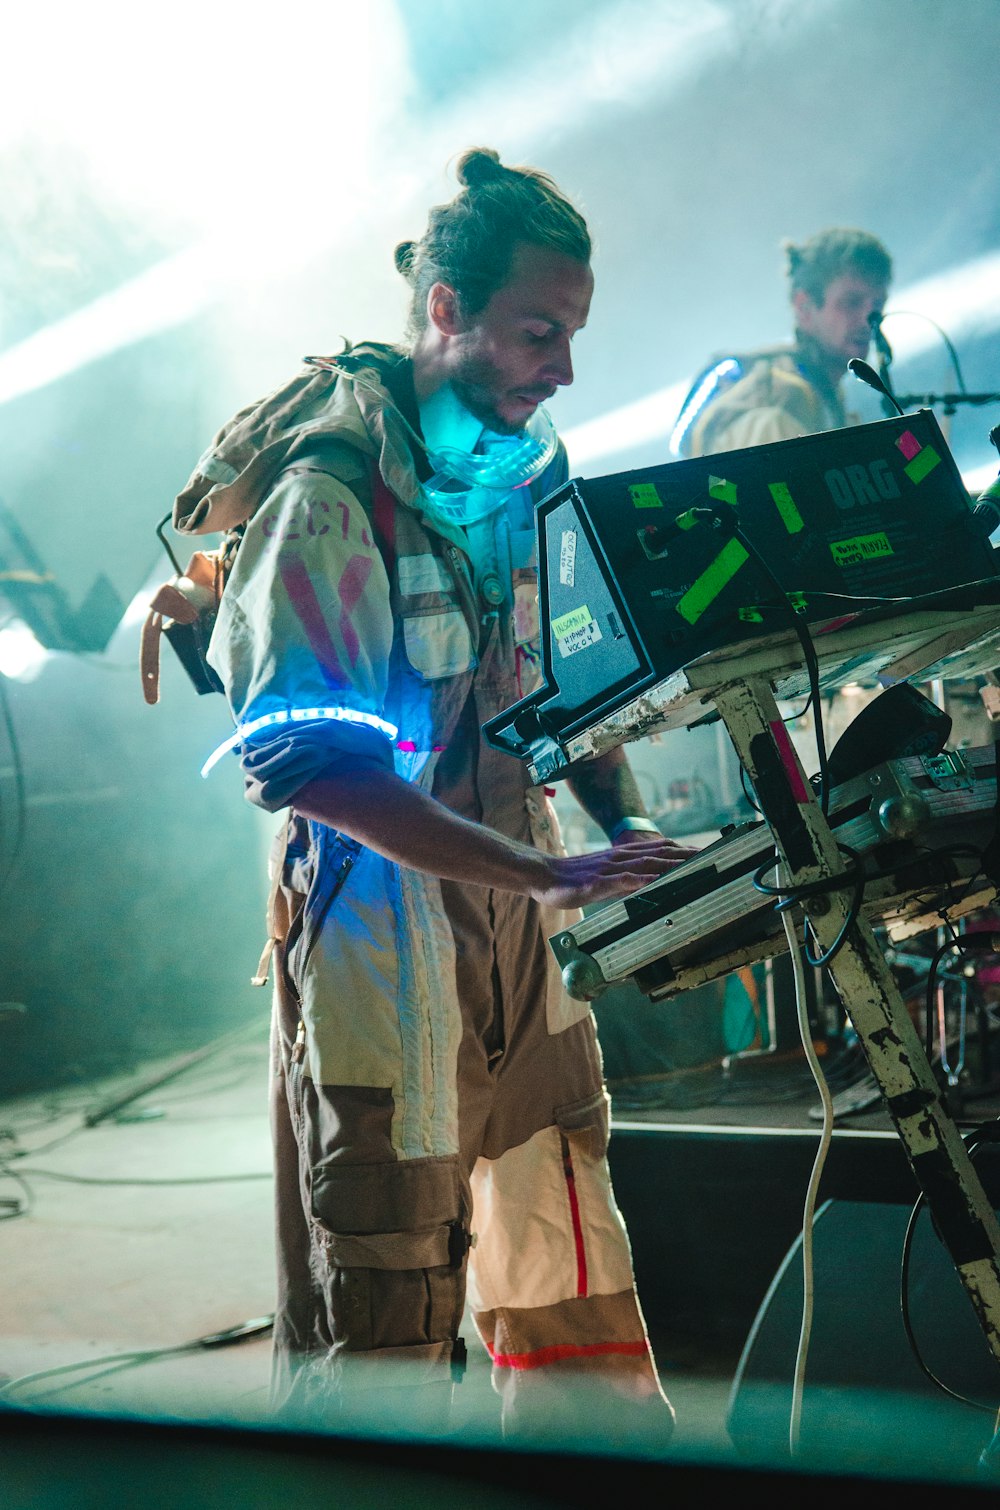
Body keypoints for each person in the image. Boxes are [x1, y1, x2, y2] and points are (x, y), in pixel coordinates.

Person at [174, 147, 696, 1438]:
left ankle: (593, 1467)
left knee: (561, 1218)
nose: (563, 369)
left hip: (524, 908)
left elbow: (549, 691)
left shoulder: (521, 480)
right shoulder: (328, 497)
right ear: (447, 311)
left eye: (572, 334)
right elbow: (304, 765)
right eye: (537, 331)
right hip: (380, 927)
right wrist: (540, 870)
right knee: (387, 1270)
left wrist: (620, 821)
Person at [673, 227, 893, 458]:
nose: (869, 320)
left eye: (877, 304)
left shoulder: (824, 396)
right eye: (851, 302)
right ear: (804, 307)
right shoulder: (776, 403)